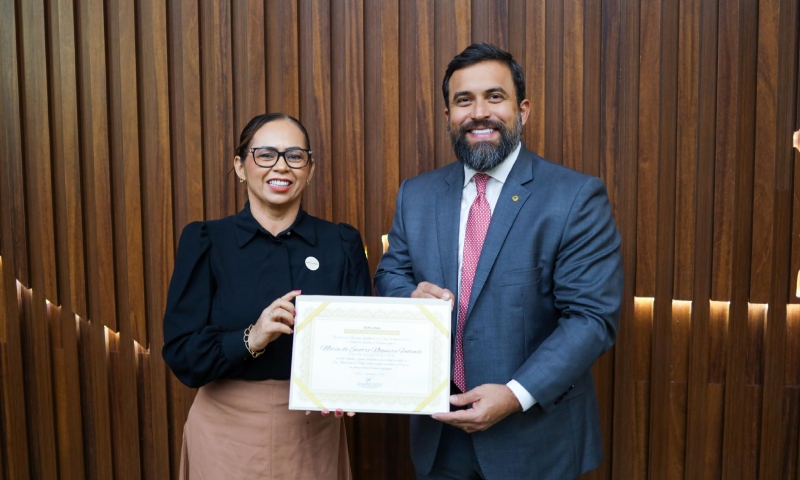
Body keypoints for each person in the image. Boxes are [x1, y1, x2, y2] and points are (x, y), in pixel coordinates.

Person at [374, 43, 624, 479]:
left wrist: (514, 394)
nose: (479, 113)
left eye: (495, 97)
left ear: (522, 110)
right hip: (440, 440)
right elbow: (391, 273)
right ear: (448, 115)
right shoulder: (416, 194)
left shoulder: (575, 197)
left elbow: (590, 318)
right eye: (463, 100)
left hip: (535, 441)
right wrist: (410, 296)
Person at [163, 113, 370, 479]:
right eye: (266, 154)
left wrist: (351, 386)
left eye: (295, 156)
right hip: (224, 431)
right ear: (240, 166)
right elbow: (182, 354)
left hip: (312, 434)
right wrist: (251, 338)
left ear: (309, 168)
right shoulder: (207, 240)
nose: (281, 166)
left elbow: (361, 342)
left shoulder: (341, 243)